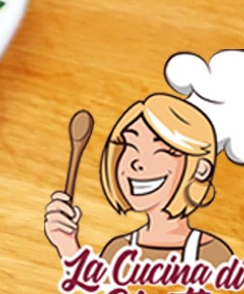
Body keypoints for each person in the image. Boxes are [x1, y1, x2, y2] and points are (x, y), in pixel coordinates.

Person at [44, 93, 232, 266]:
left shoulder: (212, 255)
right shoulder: (118, 250)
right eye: (130, 145)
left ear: (200, 169)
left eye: (162, 150)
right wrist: (67, 244)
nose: (136, 162)